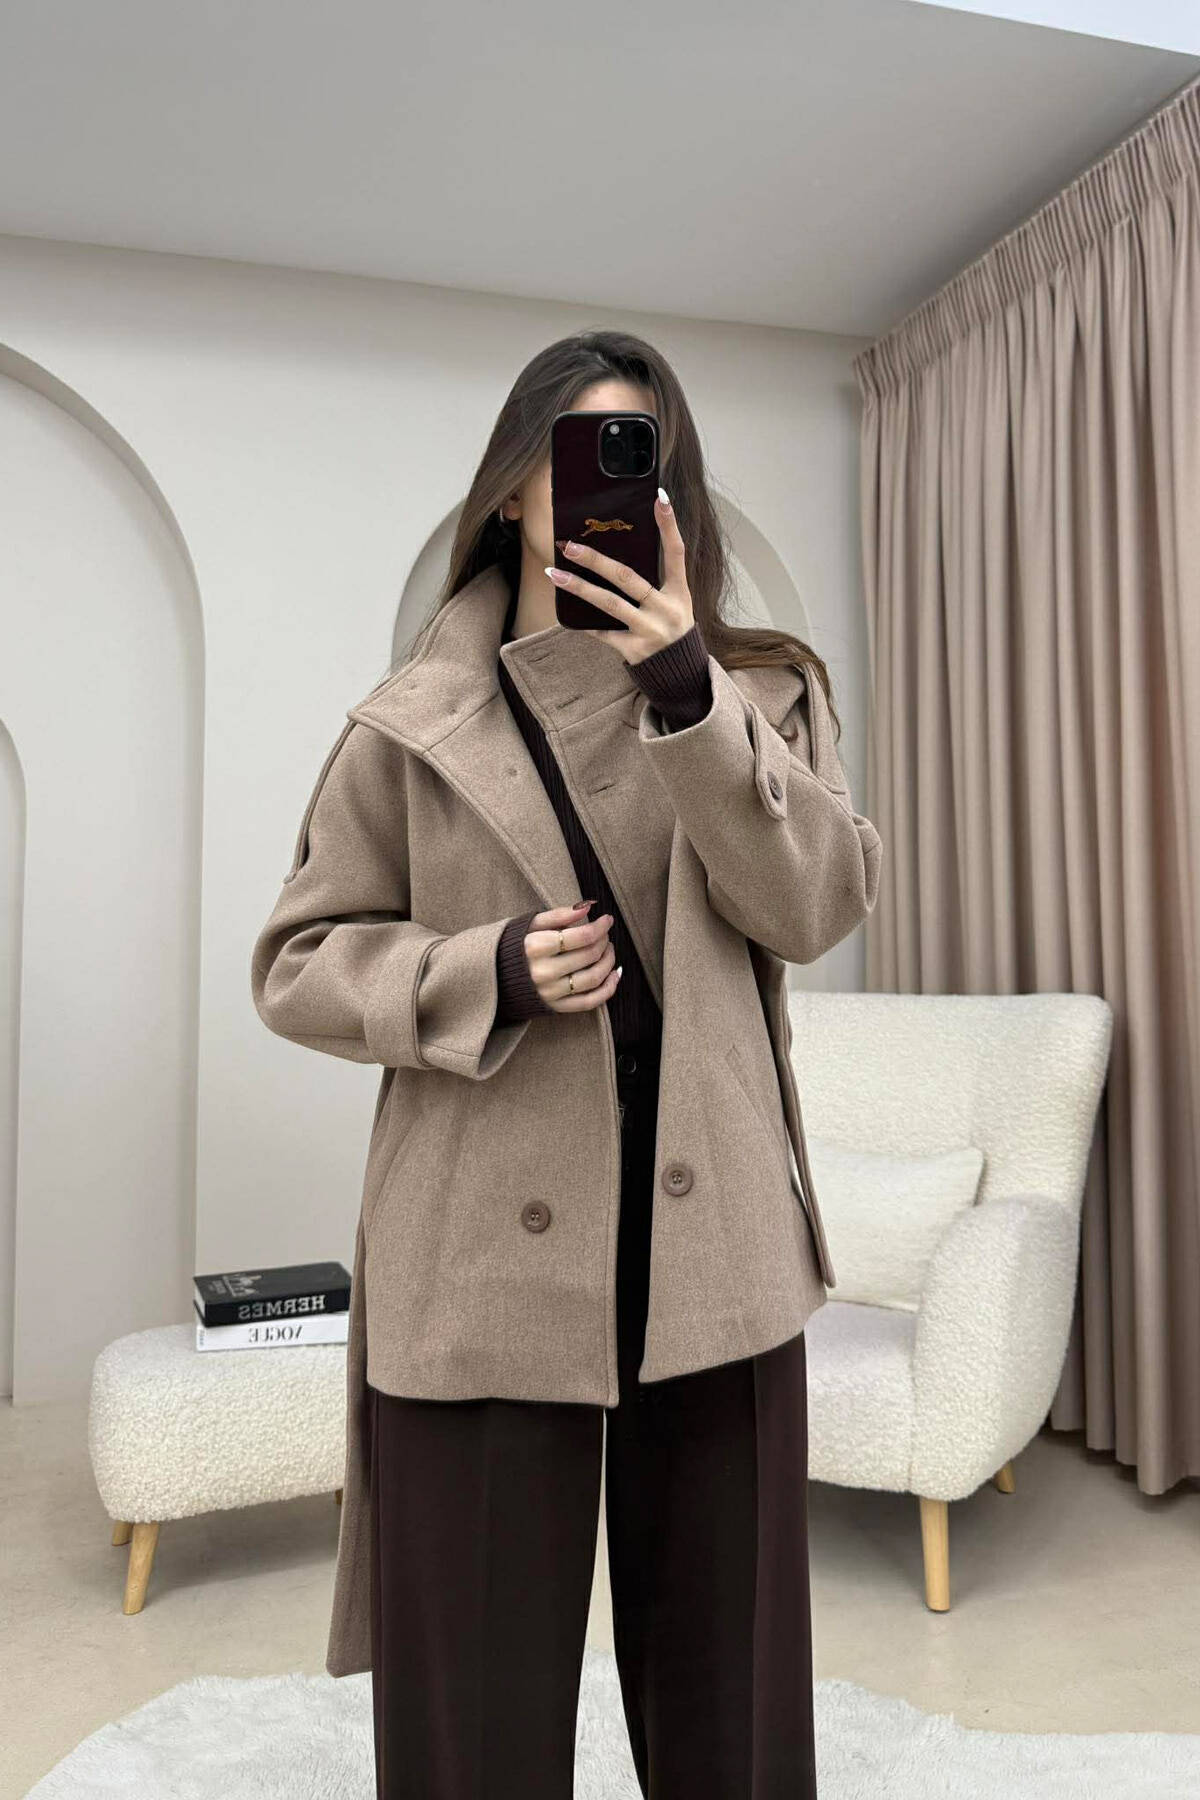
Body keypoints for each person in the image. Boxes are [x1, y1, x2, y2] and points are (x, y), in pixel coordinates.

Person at [251, 327, 882, 1798]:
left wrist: (686, 689)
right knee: (473, 1732)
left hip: (713, 1256)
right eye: (572, 450)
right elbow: (298, 962)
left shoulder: (762, 696)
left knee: (733, 1724)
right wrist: (483, 973)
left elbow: (818, 906)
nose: (600, 484)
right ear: (513, 487)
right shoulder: (407, 727)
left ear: (672, 494)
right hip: (479, 1264)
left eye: (634, 455)